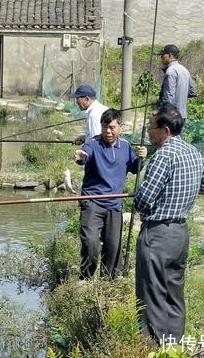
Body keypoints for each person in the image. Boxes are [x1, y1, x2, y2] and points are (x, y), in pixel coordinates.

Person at [133, 104, 204, 345]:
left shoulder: (163, 155)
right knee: (174, 292)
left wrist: (143, 200)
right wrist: (184, 191)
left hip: (158, 234)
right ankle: (175, 344)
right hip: (180, 233)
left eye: (151, 128)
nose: (149, 132)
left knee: (152, 294)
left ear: (165, 130)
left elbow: (144, 199)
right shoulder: (192, 151)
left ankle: (155, 347)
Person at [74, 109, 147, 279]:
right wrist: (80, 157)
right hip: (92, 202)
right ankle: (85, 278)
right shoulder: (92, 144)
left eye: (112, 127)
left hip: (115, 204)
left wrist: (141, 159)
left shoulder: (126, 147)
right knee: (91, 243)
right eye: (105, 126)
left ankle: (108, 282)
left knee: (113, 247)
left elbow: (135, 168)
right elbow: (83, 156)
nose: (108, 131)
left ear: (120, 127)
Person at [155, 44, 196, 123]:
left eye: (163, 55)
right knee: (179, 135)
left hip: (172, 116)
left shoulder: (170, 71)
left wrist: (164, 113)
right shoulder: (184, 70)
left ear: (170, 55)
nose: (161, 57)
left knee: (170, 135)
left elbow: (168, 96)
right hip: (182, 114)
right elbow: (192, 91)